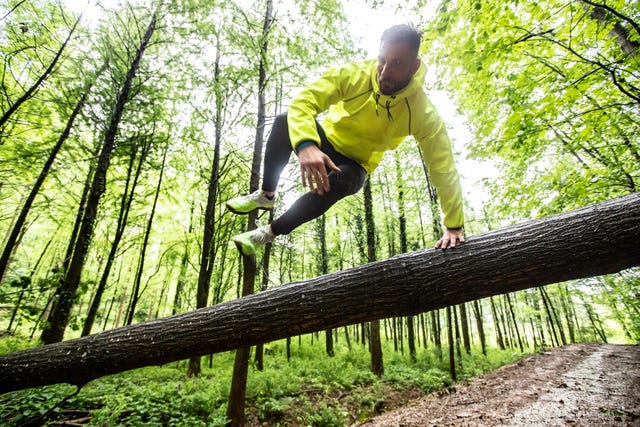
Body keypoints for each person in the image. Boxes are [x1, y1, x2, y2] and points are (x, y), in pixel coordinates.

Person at [226, 23, 465, 256]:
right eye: (382, 60)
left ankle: (266, 233)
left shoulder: (423, 113)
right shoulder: (356, 75)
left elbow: (442, 169)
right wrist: (306, 144)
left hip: (356, 162)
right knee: (284, 120)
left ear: (414, 67)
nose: (384, 71)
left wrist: (453, 224)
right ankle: (266, 195)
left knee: (348, 179)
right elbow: (306, 100)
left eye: (397, 63)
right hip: (326, 141)